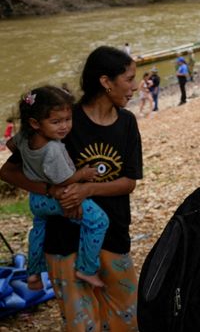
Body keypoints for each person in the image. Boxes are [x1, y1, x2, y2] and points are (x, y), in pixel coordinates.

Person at [1, 45, 143, 331]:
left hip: (113, 234)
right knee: (80, 325)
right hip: (64, 242)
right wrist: (50, 191)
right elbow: (8, 170)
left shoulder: (127, 123)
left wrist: (86, 190)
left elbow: (128, 181)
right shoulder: (61, 120)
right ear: (106, 82)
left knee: (127, 317)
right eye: (128, 79)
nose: (135, 87)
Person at [9, 86, 108, 290]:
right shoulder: (53, 149)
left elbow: (11, 145)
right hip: (55, 197)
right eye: (56, 122)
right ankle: (87, 268)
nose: (64, 127)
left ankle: (34, 274)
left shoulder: (25, 137)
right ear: (35, 123)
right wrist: (84, 174)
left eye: (67, 119)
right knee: (98, 221)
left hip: (36, 198)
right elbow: (65, 180)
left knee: (39, 229)